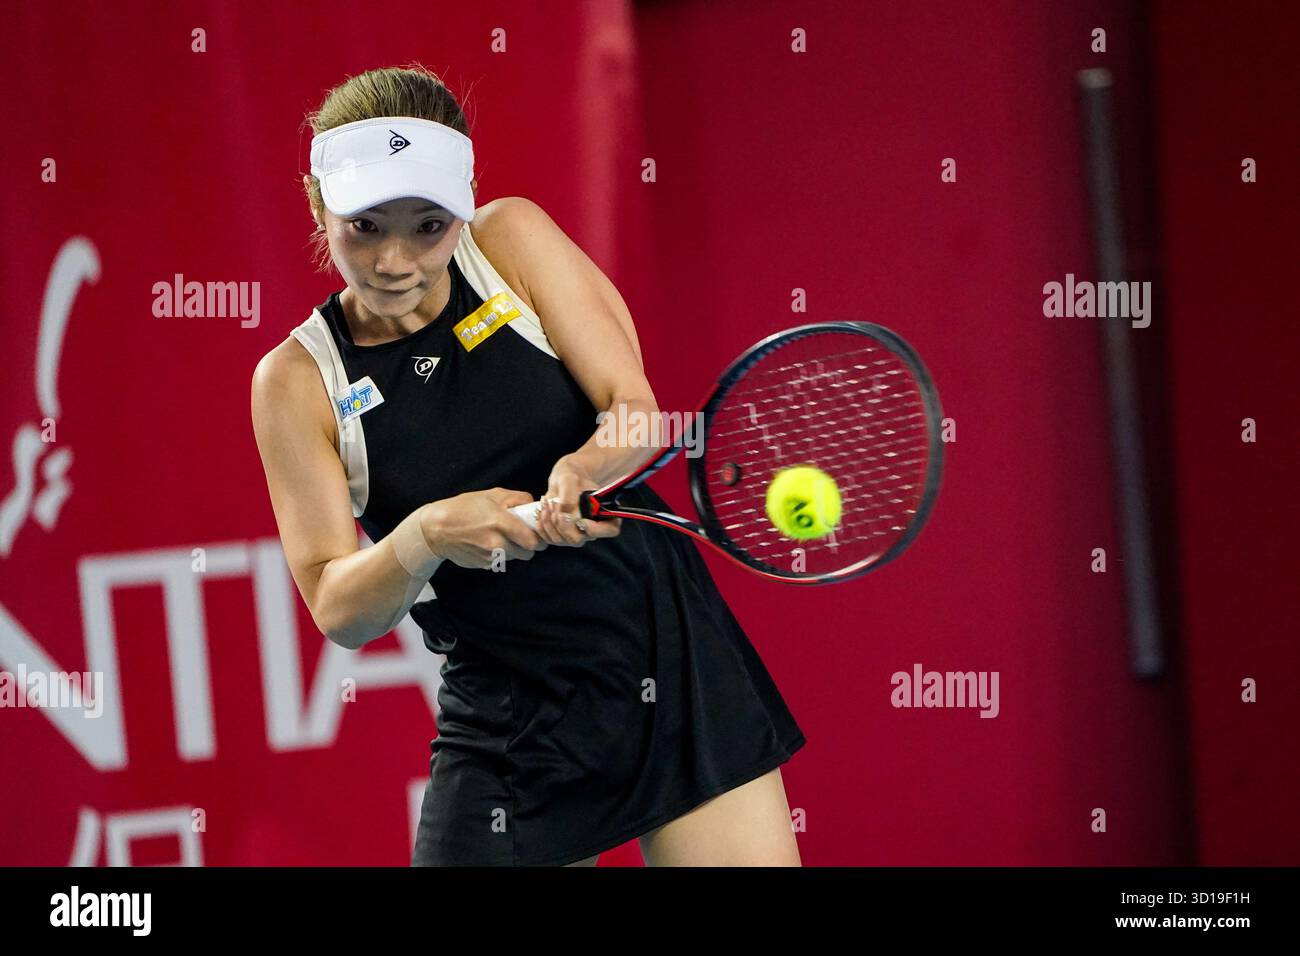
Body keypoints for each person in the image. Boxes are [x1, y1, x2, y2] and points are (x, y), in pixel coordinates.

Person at [250, 65, 806, 866]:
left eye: (429, 224)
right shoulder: (297, 381)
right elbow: (340, 609)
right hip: (510, 719)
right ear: (316, 204)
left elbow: (634, 407)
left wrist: (581, 469)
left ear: (465, 202)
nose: (396, 260)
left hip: (665, 653)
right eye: (365, 226)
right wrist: (430, 534)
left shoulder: (508, 243)